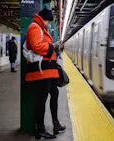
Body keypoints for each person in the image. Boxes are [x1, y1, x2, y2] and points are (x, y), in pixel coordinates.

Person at [25, 7, 65, 139]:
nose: (49, 23)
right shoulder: (34, 28)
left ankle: (55, 124)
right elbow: (36, 46)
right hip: (41, 71)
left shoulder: (41, 28)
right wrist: (52, 46)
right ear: (45, 19)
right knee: (41, 100)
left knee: (55, 93)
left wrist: (55, 47)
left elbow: (43, 46)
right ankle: (40, 129)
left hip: (48, 70)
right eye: (49, 21)